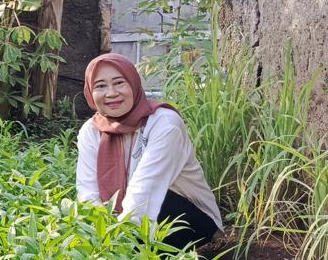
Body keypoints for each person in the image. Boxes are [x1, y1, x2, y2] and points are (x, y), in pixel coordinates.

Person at [76, 53, 222, 249]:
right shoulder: (91, 131)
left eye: (119, 83)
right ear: (89, 91)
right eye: (100, 86)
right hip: (129, 217)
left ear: (134, 84)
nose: (111, 93)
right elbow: (88, 192)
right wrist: (95, 235)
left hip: (188, 217)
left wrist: (116, 245)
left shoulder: (164, 123)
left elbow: (145, 190)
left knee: (158, 202)